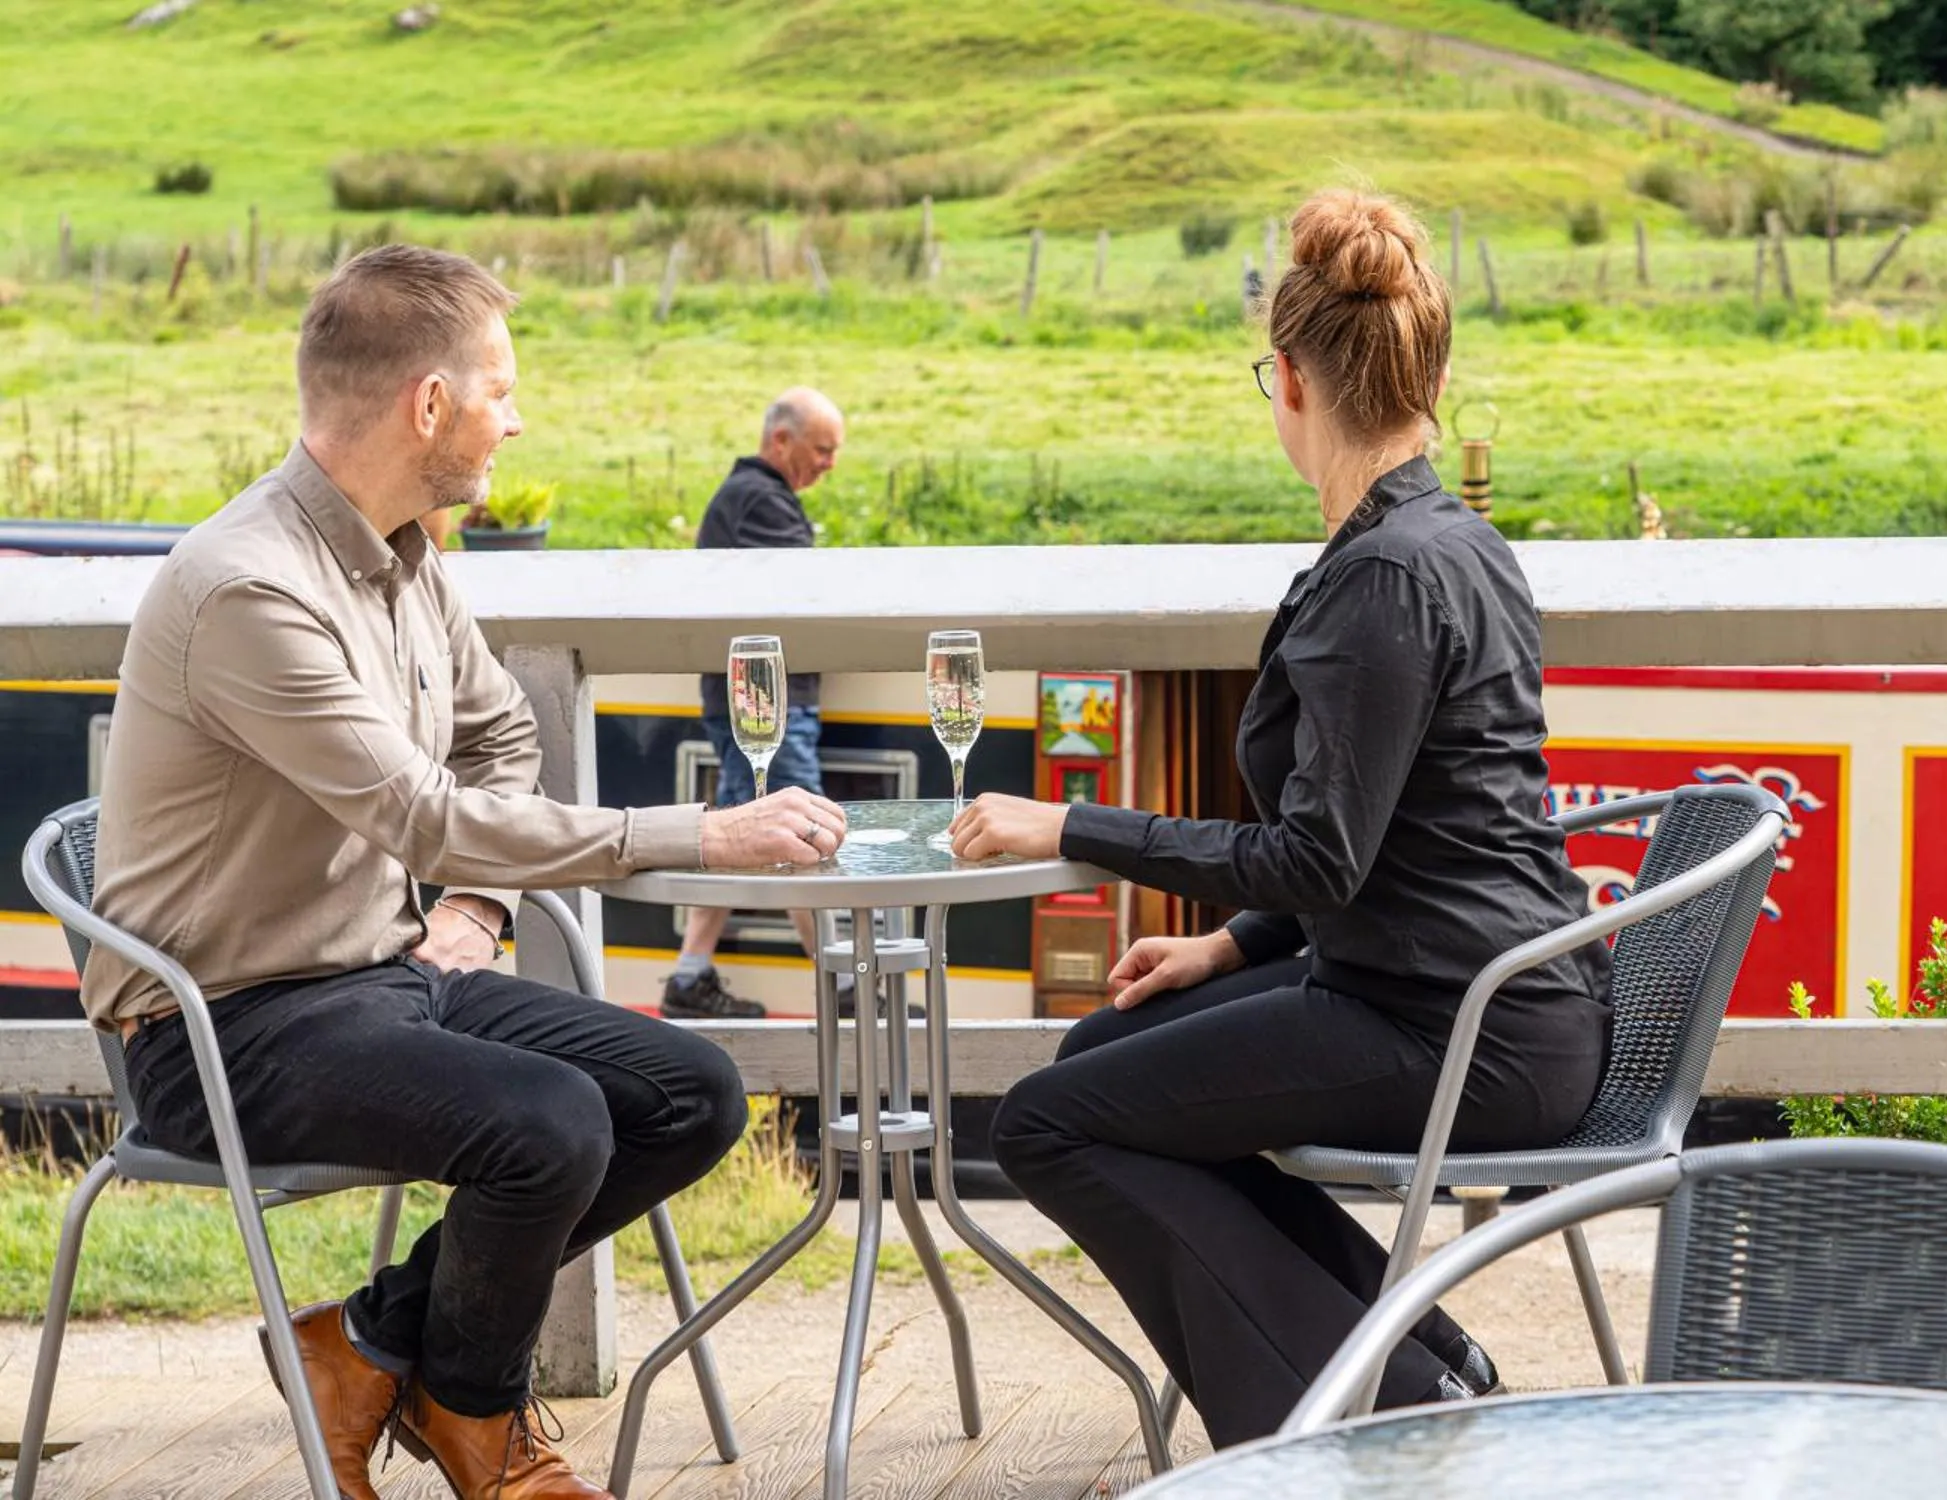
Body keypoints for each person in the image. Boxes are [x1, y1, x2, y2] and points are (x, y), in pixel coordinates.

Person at [84, 244, 850, 1500]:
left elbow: (496, 735)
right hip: (218, 1028)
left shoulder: (407, 554)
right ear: (427, 406)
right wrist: (696, 835)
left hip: (382, 972)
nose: (517, 415)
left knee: (694, 1091)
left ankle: (377, 1346)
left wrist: (481, 910)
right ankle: (478, 1428)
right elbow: (421, 814)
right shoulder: (249, 590)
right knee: (548, 1125)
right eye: (500, 387)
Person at [946, 190, 1613, 1448]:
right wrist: (1225, 948)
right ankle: (1420, 1355)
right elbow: (1389, 835)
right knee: (1096, 1069)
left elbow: (1319, 852)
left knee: (1046, 1122)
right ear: (1427, 372)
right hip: (1474, 993)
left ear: (1291, 380)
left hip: (1462, 1028)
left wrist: (1070, 825)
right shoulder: (1454, 542)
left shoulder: (1385, 579)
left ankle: (1370, 1420)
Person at [664, 387, 845, 1020]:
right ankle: (843, 982)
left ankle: (690, 974)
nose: (829, 463)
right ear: (781, 441)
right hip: (765, 703)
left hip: (749, 699)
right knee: (801, 828)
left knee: (743, 821)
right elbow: (810, 592)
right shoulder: (762, 503)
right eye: (822, 449)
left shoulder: (749, 498)